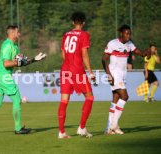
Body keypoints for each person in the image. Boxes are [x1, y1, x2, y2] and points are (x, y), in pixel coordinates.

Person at [102, 24, 148, 135]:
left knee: (115, 100)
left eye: (129, 33)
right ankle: (114, 125)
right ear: (121, 33)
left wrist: (146, 52)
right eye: (127, 33)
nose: (128, 35)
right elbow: (104, 60)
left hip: (123, 74)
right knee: (125, 96)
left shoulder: (129, 44)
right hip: (114, 73)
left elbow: (140, 53)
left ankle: (108, 128)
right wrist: (109, 75)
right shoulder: (113, 43)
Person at [58, 11, 96, 139]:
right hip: (77, 70)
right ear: (84, 22)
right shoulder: (84, 35)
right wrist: (90, 72)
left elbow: (63, 54)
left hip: (65, 70)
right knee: (89, 97)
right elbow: (84, 54)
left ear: (73, 22)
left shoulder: (65, 35)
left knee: (64, 100)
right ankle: (82, 128)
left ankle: (62, 132)